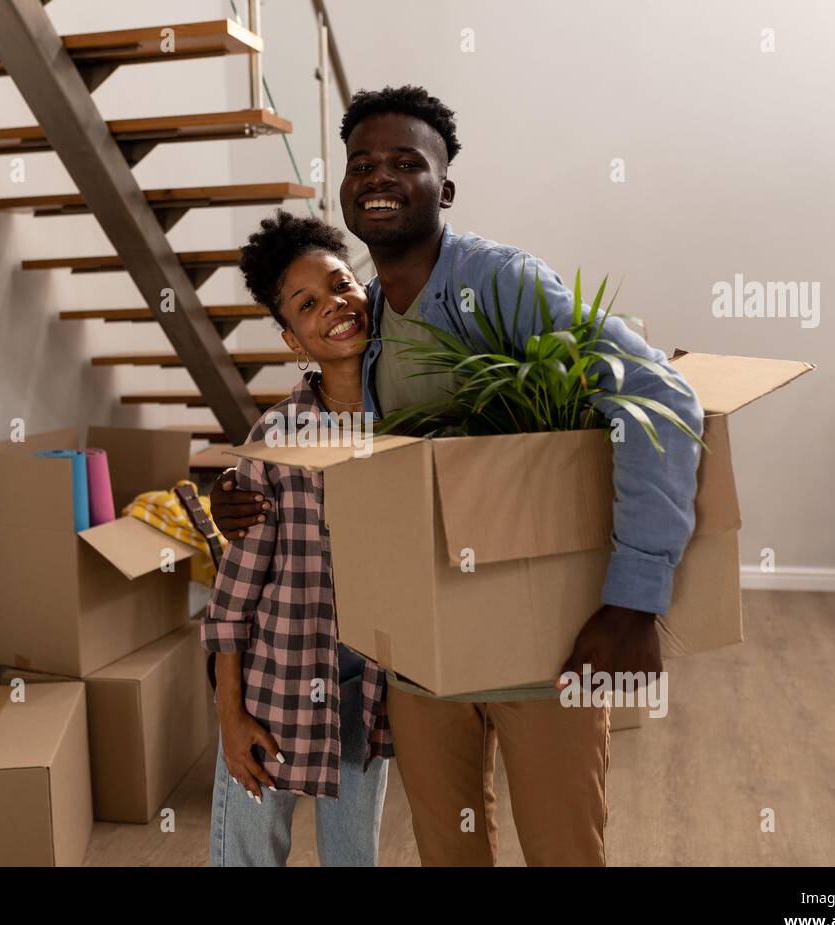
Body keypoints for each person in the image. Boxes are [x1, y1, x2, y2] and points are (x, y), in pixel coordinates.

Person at [211, 86, 705, 866]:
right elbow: (335, 442)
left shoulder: (498, 283)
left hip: (543, 649)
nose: (379, 177)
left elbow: (659, 394)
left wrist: (633, 601)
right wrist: (240, 489)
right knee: (449, 851)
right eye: (362, 163)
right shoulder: (366, 316)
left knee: (562, 850)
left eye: (406, 162)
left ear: (443, 188)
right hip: (419, 658)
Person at [202, 211, 392, 867]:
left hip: (369, 687)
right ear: (293, 337)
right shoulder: (278, 439)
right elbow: (231, 603)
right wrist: (231, 717)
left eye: (342, 285)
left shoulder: (410, 419)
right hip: (274, 680)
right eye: (308, 304)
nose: (334, 307)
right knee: (249, 853)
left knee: (353, 857)